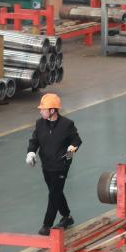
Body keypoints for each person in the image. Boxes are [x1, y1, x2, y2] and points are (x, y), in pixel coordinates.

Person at [26, 93, 82, 236]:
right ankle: (67, 217)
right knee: (56, 192)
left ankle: (47, 225)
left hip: (61, 166)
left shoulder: (67, 124)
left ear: (52, 110)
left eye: (43, 109)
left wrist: (69, 155)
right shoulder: (40, 124)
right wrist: (31, 152)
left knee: (54, 194)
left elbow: (77, 141)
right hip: (46, 166)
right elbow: (34, 141)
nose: (40, 111)